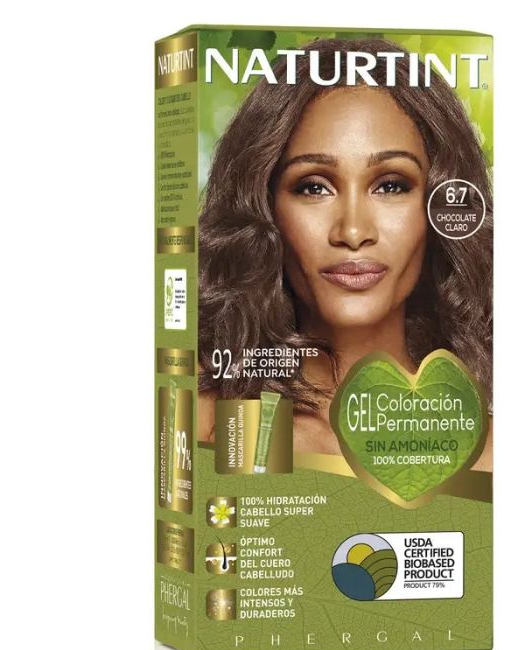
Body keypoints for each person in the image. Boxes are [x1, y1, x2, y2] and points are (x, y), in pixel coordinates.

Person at [197, 38, 492, 469]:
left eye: (391, 185)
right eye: (314, 187)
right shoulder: (218, 425)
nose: (353, 232)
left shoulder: (483, 455)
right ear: (265, 209)